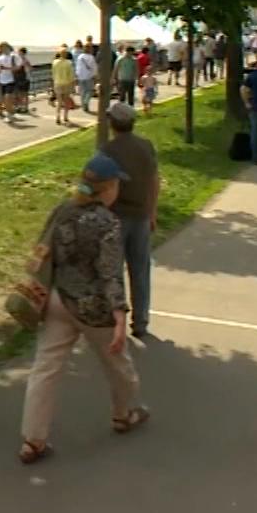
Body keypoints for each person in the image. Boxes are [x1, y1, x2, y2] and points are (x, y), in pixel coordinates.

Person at [17, 152, 149, 464]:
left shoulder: (63, 210)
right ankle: (124, 413)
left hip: (58, 299)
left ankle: (33, 439)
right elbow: (110, 273)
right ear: (109, 188)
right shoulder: (107, 222)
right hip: (94, 309)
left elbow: (43, 250)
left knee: (45, 369)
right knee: (118, 365)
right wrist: (120, 315)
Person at [100, 102, 159, 342]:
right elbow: (154, 181)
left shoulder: (108, 150)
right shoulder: (146, 146)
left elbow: (102, 185)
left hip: (115, 217)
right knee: (140, 270)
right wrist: (152, 211)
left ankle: (116, 321)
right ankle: (141, 321)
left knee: (113, 272)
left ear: (112, 123)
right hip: (141, 216)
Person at [51, 49, 77, 125]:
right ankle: (65, 116)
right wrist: (73, 85)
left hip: (57, 83)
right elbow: (71, 75)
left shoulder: (54, 62)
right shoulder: (69, 63)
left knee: (59, 101)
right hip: (66, 83)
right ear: (66, 54)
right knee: (66, 101)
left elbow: (53, 74)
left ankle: (58, 116)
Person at [0, 41, 18, 120]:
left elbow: (17, 68)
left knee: (8, 97)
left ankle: (9, 114)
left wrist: (7, 68)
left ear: (8, 47)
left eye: (5, 47)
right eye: (2, 48)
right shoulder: (0, 58)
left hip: (11, 80)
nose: (4, 49)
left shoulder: (14, 56)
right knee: (5, 99)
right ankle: (10, 112)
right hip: (2, 80)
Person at [73, 42, 98, 114]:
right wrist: (95, 75)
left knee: (83, 92)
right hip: (89, 77)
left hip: (81, 77)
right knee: (89, 91)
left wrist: (77, 76)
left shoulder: (80, 57)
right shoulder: (91, 57)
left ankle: (84, 106)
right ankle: (86, 102)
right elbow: (94, 68)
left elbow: (78, 67)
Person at [15, 47, 35, 113]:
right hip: (23, 78)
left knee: (23, 93)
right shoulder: (23, 60)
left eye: (19, 52)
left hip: (24, 78)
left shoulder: (24, 60)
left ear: (22, 52)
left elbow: (30, 69)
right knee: (22, 93)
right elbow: (31, 69)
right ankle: (23, 107)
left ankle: (23, 107)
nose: (18, 53)